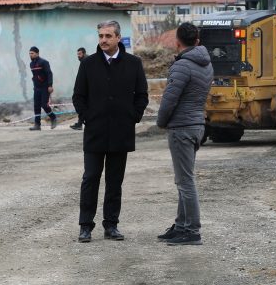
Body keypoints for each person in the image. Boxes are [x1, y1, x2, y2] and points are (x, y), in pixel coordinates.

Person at [72, 20, 149, 243]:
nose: (103, 40)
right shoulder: (88, 64)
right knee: (91, 178)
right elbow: (78, 96)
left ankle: (111, 225)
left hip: (121, 132)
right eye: (100, 36)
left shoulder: (133, 63)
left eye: (107, 36)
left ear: (117, 38)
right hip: (95, 132)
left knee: (115, 181)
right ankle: (85, 226)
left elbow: (141, 95)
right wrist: (87, 117)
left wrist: (132, 117)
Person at [155, 22, 213, 246]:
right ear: (197, 41)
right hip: (197, 124)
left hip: (182, 127)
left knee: (185, 181)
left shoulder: (182, 66)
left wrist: (161, 122)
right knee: (183, 179)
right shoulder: (206, 64)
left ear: (177, 41)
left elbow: (170, 99)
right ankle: (181, 225)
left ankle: (192, 231)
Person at [28, 46, 57, 131]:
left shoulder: (44, 62)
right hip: (37, 88)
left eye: (32, 53)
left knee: (44, 105)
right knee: (36, 106)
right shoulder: (31, 64)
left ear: (37, 53)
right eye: (29, 53)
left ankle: (53, 117)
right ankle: (37, 125)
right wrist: (34, 84)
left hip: (45, 87)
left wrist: (50, 85)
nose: (30, 55)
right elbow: (35, 76)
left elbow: (49, 74)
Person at [70, 47, 87, 130]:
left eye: (80, 54)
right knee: (82, 103)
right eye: (77, 54)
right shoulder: (84, 61)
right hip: (84, 88)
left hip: (85, 88)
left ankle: (81, 122)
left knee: (78, 102)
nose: (78, 56)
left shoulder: (86, 61)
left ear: (84, 53)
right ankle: (80, 123)